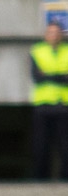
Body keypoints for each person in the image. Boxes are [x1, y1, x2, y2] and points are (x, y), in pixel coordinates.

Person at [29, 22, 68, 180]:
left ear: (61, 35)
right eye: (50, 32)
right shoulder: (37, 51)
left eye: (56, 32)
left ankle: (65, 178)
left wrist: (48, 75)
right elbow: (37, 77)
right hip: (42, 106)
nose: (53, 35)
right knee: (41, 145)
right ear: (46, 35)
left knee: (64, 146)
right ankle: (40, 178)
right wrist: (59, 76)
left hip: (63, 105)